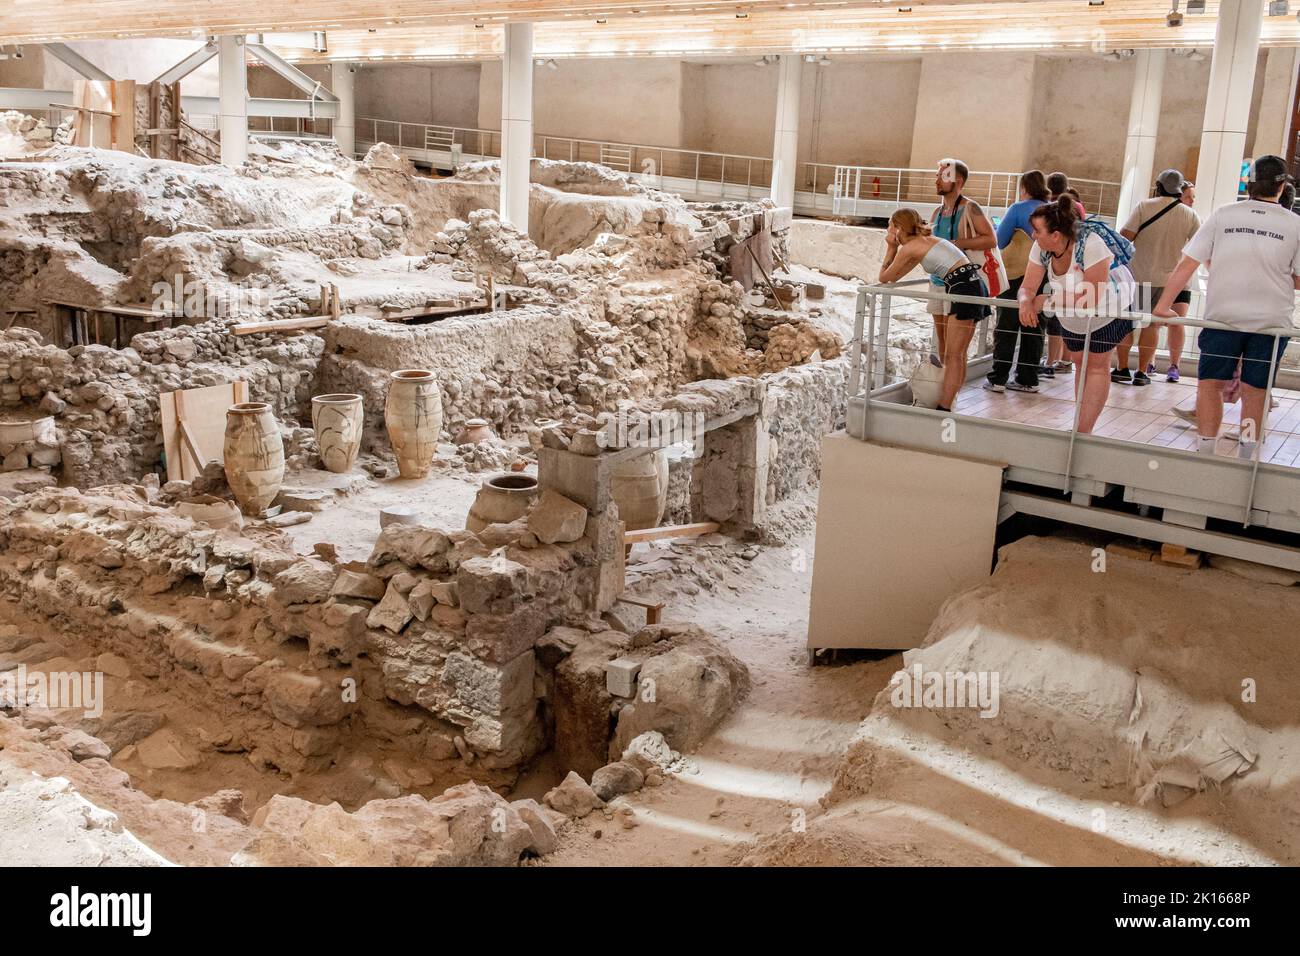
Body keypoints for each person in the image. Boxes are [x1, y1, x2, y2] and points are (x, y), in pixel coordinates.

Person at [1153, 155, 1300, 460]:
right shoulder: (1294, 224)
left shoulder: (1224, 214)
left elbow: (1187, 264)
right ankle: (1247, 453)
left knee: (1210, 385)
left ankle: (1206, 449)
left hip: (1223, 318)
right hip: (1271, 323)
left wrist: (1164, 305)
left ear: (1248, 183)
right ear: (1282, 185)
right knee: (1255, 392)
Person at [1018, 196, 1134, 434]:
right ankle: (1080, 425)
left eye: (1037, 230)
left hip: (1109, 309)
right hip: (1070, 312)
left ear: (1056, 235)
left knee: (1097, 365)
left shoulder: (1091, 243)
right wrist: (1025, 303)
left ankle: (1083, 431)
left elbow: (1091, 296)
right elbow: (1027, 286)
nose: (1033, 235)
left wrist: (1045, 301)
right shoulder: (1041, 248)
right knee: (1081, 362)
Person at [881, 208, 991, 411]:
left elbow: (884, 277)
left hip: (963, 286)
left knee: (954, 354)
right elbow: (894, 276)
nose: (887, 229)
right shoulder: (922, 242)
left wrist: (890, 247)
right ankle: (949, 400)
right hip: (971, 283)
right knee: (958, 353)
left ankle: (945, 406)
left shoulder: (910, 247)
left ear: (898, 228)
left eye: (889, 225)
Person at [1115, 169, 1202, 385]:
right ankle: (1142, 373)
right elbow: (1197, 247)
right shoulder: (1190, 215)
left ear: (1158, 185)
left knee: (1127, 322)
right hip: (1167, 280)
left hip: (1137, 275)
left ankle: (1122, 368)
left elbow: (1125, 237)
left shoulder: (1145, 206)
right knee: (1151, 325)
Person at [926, 158, 999, 361]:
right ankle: (945, 385)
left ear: (958, 180)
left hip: (961, 284)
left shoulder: (970, 208)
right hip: (938, 282)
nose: (937, 181)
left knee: (955, 347)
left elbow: (991, 239)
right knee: (942, 341)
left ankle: (951, 390)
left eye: (943, 176)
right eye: (937, 176)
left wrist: (958, 243)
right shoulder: (937, 212)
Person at [985, 170, 1049, 393]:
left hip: (1017, 276)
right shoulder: (1051, 210)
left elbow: (999, 241)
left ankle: (998, 378)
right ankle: (1027, 379)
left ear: (1023, 188)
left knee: (1006, 326)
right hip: (1045, 276)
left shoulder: (1018, 209)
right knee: (1035, 327)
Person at [1040, 171, 1086, 377]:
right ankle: (1066, 360)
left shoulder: (1049, 209)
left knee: (1056, 317)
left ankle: (1051, 360)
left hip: (1061, 270)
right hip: (1075, 273)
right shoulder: (1078, 208)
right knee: (1067, 315)